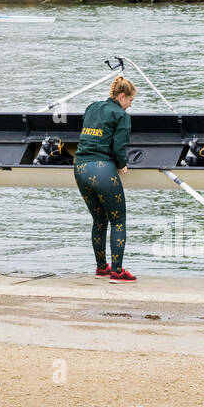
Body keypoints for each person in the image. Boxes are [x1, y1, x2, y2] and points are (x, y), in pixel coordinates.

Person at [73, 76, 137, 281]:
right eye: (130, 100)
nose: (130, 104)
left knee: (99, 220)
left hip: (80, 167)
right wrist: (121, 164)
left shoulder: (92, 107)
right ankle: (117, 271)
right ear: (121, 96)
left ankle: (101, 268)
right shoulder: (121, 115)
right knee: (118, 220)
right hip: (102, 169)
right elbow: (119, 146)